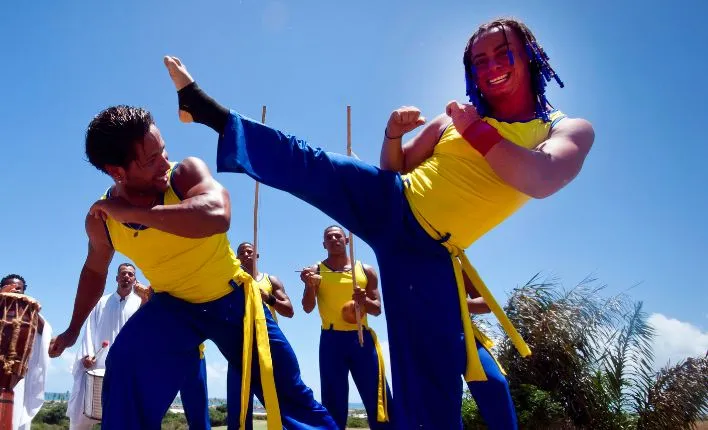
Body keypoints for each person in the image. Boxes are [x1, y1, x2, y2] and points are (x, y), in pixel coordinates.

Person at [162, 16, 594, 429]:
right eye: (479, 61)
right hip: (392, 199)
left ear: (531, 56)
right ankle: (204, 109)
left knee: (431, 386)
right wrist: (392, 134)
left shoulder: (565, 128)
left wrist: (477, 131)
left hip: (428, 251)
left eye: (503, 54)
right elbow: (396, 168)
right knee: (311, 162)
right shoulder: (452, 120)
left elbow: (540, 178)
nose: (491, 67)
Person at [48, 107, 335, 430]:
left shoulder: (183, 175)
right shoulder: (102, 220)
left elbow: (216, 214)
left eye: (163, 149)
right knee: (125, 364)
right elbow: (94, 272)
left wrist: (134, 213)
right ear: (118, 171)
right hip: (173, 307)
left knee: (287, 393)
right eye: (151, 159)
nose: (165, 161)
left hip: (232, 299)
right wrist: (72, 330)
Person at [300, 225, 391, 429]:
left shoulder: (365, 270)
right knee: (333, 400)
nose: (334, 239)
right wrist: (309, 286)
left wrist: (363, 300)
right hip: (331, 339)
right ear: (324, 244)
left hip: (362, 338)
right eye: (329, 237)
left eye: (338, 236)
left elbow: (377, 309)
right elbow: (307, 308)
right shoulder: (316, 271)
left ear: (347, 240)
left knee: (377, 395)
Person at [0, 274, 52, 430]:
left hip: (16, 376)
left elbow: (46, 333)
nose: (15, 289)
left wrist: (32, 310)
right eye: (11, 286)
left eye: (19, 288)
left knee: (14, 418)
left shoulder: (31, 313)